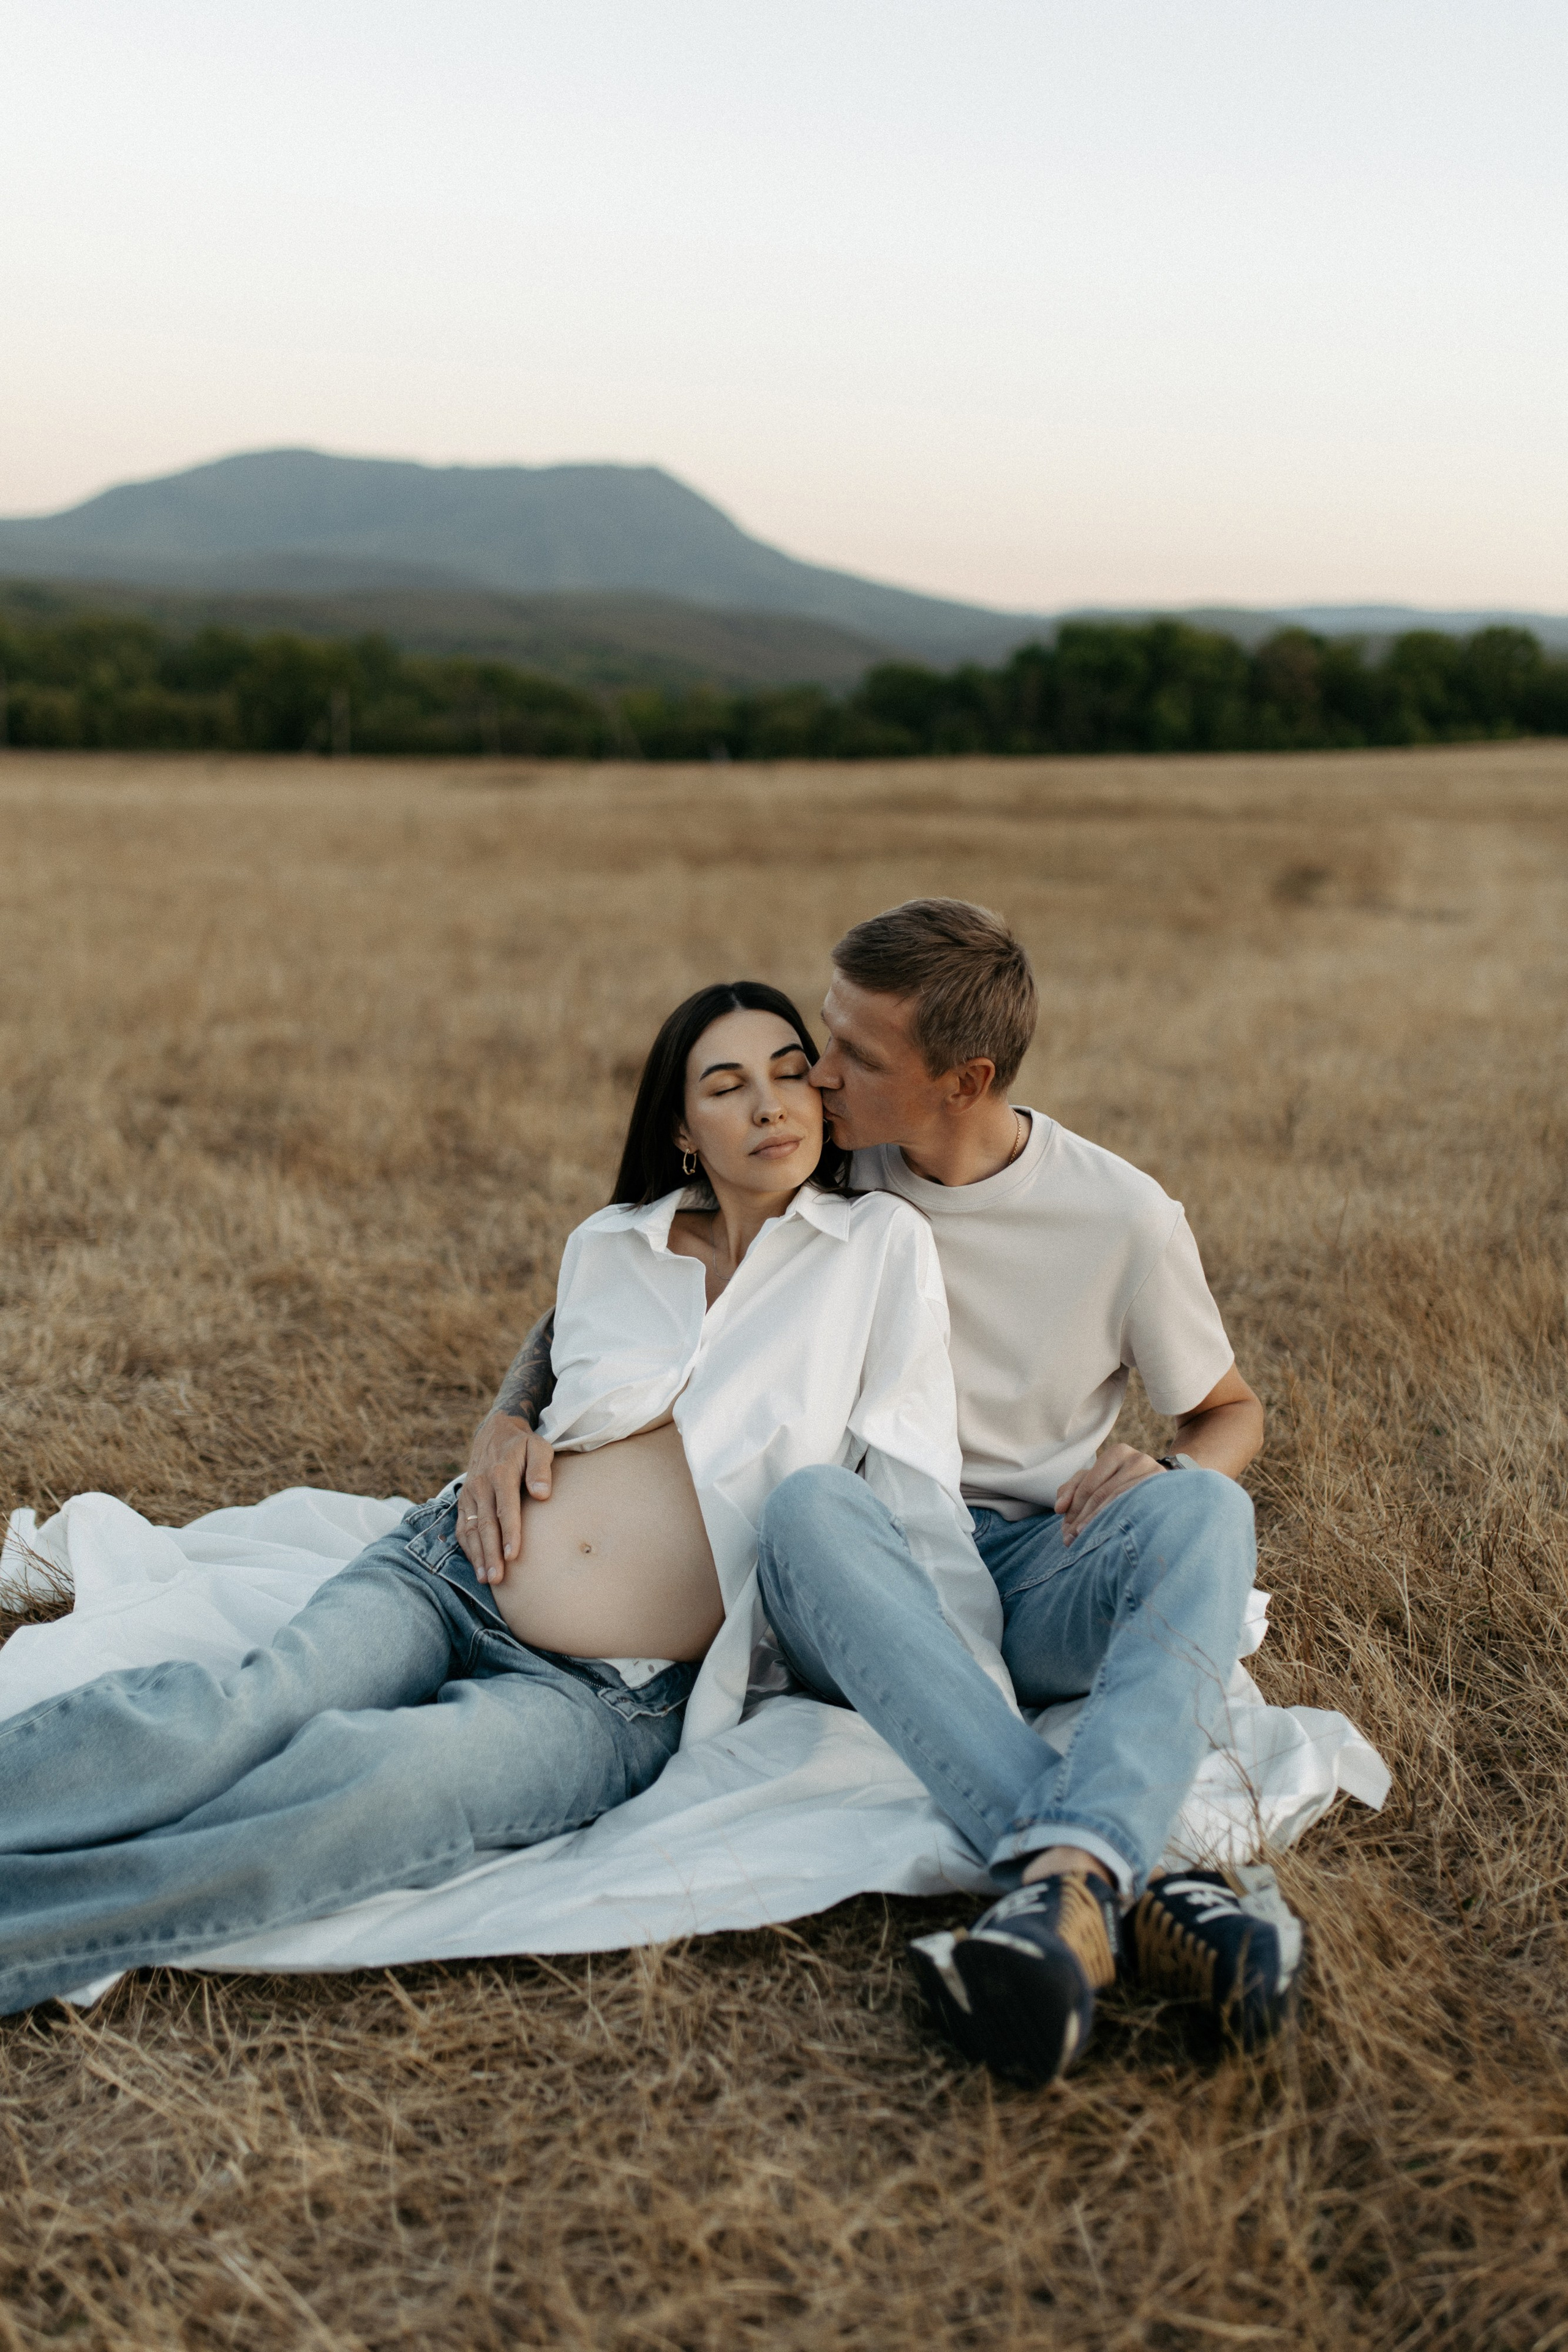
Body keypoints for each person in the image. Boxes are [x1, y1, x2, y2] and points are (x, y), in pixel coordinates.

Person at [0, 981, 1006, 2019]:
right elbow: (559, 1354)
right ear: (681, 1130)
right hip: (444, 1574)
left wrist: (975, 1696)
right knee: (238, 1717)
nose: (771, 1105)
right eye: (727, 1086)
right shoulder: (614, 1242)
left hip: (609, 1694)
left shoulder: (876, 1247)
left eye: (792, 1074)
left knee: (366, 1789)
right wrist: (505, 1417)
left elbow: (914, 1479)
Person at [462, 903, 1302, 2086]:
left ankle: (1067, 1891)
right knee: (810, 1500)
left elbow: (1230, 1410)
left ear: (965, 1081)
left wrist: (1174, 1467)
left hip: (1041, 1558)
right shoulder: (832, 1150)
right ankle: (1138, 1884)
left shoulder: (1123, 1218)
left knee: (1209, 1511)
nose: (812, 1075)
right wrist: (508, 1414)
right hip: (857, 1563)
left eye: (854, 1055)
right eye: (827, 1035)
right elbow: (618, 1280)